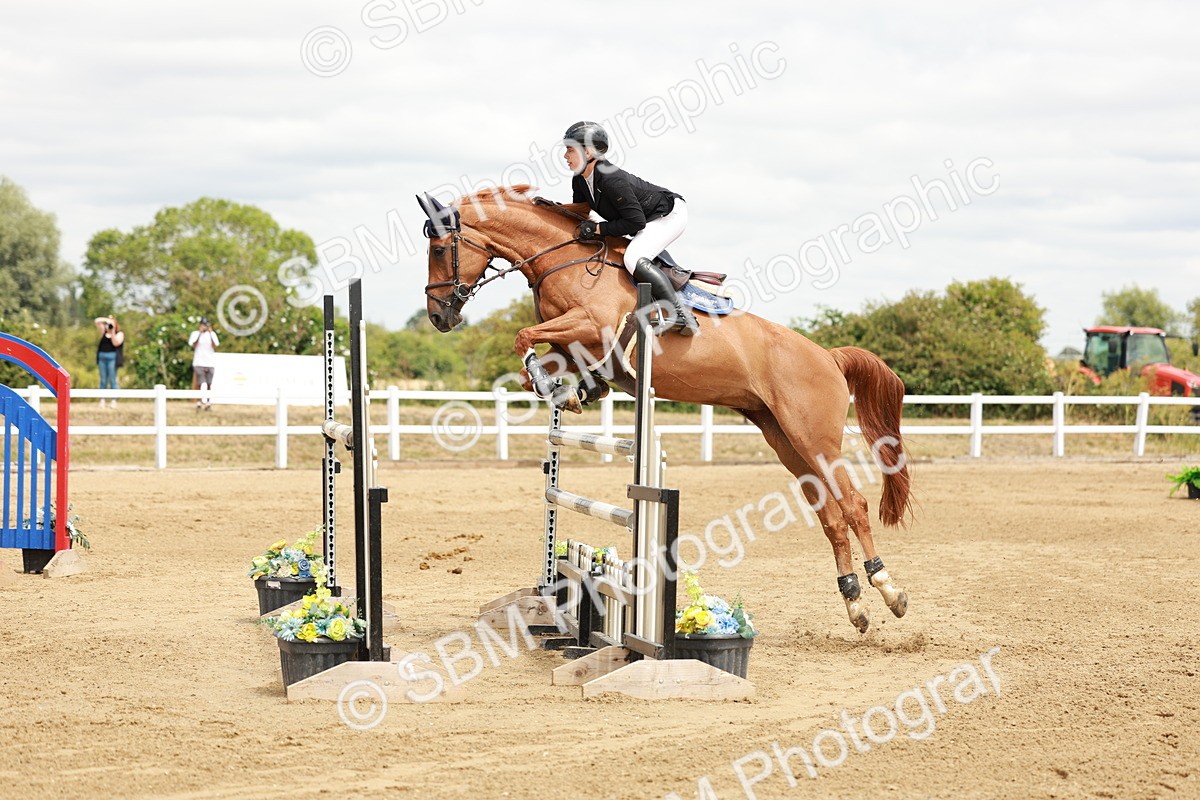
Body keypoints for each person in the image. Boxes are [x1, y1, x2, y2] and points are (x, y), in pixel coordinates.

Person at [562, 120, 699, 335]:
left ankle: (681, 314)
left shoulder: (610, 178)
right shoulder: (580, 180)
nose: (565, 156)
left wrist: (599, 230)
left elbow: (636, 223)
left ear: (588, 152)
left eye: (570, 149)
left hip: (668, 215)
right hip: (645, 218)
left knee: (633, 258)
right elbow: (579, 213)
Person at [188, 317, 220, 411]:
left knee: (209, 383)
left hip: (210, 362)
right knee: (199, 383)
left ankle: (208, 402)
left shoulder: (212, 334)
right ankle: (199, 401)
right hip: (198, 361)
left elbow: (215, 345)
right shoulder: (195, 334)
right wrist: (200, 333)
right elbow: (194, 344)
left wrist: (210, 333)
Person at [94, 316, 125, 408]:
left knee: (112, 379)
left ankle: (113, 400)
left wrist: (113, 332)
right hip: (102, 357)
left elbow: (116, 343)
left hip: (112, 357)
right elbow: (96, 321)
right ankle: (102, 400)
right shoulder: (103, 331)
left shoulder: (119, 334)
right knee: (103, 380)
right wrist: (106, 320)